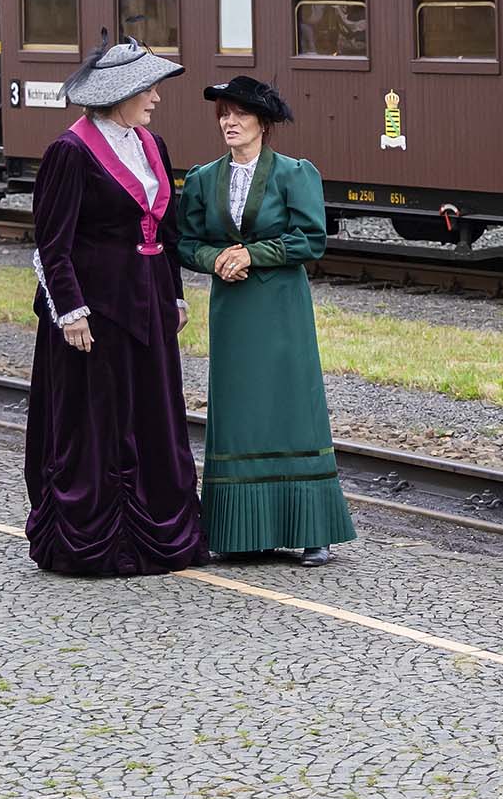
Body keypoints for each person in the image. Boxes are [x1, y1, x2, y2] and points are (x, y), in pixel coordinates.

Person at [27, 38, 205, 578]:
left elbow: (164, 233)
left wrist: (173, 293)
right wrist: (71, 311)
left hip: (147, 303)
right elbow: (51, 244)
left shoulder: (152, 144)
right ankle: (98, 538)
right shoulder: (71, 151)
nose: (155, 97)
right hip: (96, 310)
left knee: (151, 412)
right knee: (99, 419)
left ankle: (155, 532)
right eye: (147, 88)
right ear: (118, 93)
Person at [171, 75, 353, 564]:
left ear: (263, 122)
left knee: (292, 406)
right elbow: (184, 243)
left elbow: (311, 240)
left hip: (280, 309)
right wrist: (215, 260)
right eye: (223, 115)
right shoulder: (204, 178)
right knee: (238, 411)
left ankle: (312, 530)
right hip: (232, 311)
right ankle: (238, 533)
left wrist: (253, 254)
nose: (230, 122)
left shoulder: (296, 173)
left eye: (240, 114)